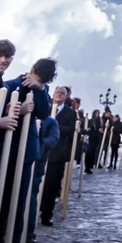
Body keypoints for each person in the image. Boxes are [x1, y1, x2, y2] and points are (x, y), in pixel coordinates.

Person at [0, 58, 54, 243]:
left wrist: (39, 90)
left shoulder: (42, 91)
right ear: (30, 70)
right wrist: (15, 111)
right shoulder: (10, 85)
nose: (36, 82)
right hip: (3, 152)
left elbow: (43, 114)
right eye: (35, 78)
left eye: (41, 81)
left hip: (24, 156)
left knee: (16, 209)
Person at [39, 85, 76, 224]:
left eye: (63, 93)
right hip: (41, 150)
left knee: (51, 185)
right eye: (58, 92)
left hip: (57, 153)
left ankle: (46, 214)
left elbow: (70, 130)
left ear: (66, 97)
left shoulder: (70, 113)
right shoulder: (44, 108)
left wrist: (53, 126)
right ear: (53, 94)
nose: (59, 94)